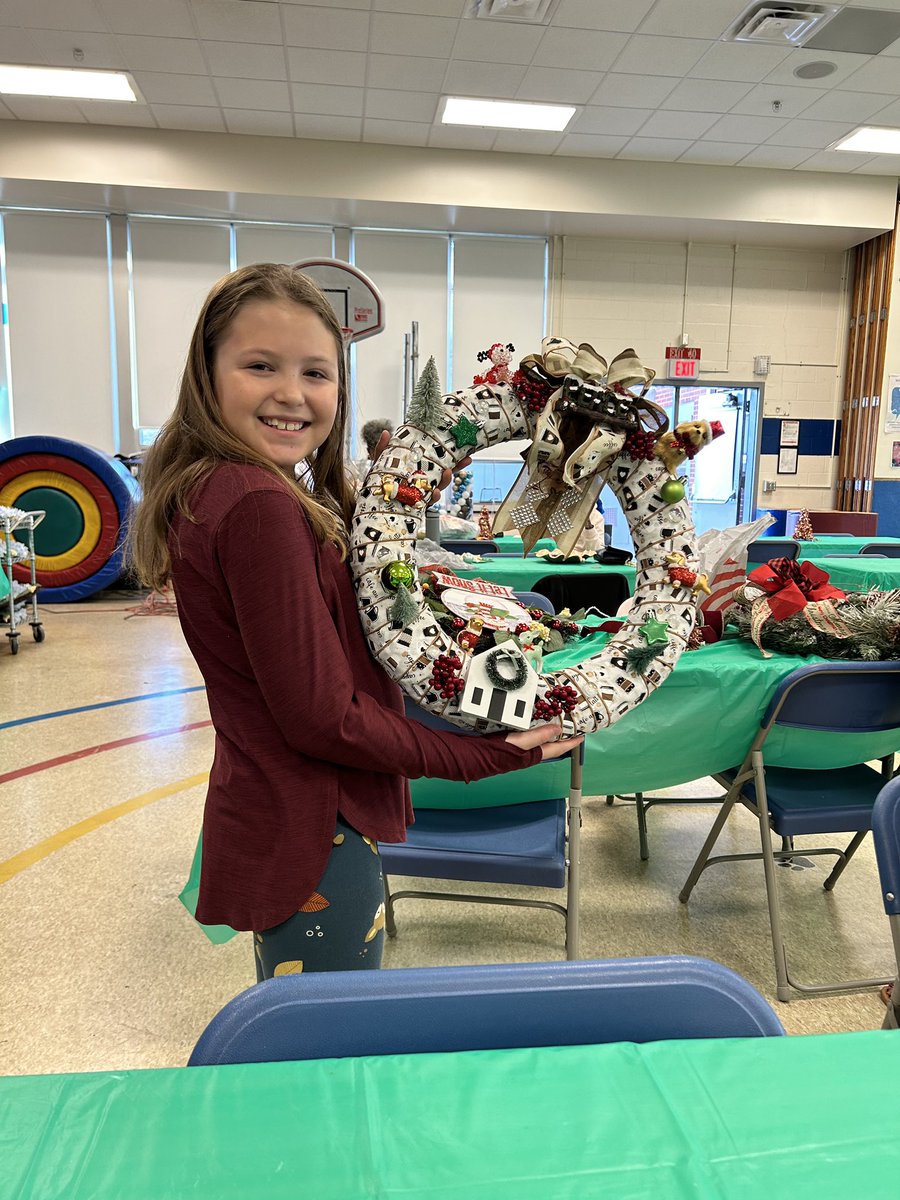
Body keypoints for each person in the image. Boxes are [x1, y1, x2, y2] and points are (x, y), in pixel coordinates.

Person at [128, 263, 580, 980]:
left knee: (314, 1033)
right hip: (314, 832)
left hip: (295, 815)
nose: (292, 393)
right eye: (259, 365)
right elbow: (320, 717)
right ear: (206, 374)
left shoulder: (240, 488)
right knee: (325, 1055)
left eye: (316, 372)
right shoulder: (257, 505)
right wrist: (488, 757)